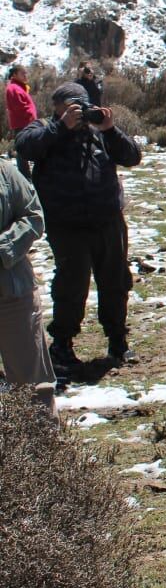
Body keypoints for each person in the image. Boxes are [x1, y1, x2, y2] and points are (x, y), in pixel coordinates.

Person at [16, 82, 141, 371]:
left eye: (82, 106)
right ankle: (62, 346)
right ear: (58, 108)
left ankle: (118, 342)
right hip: (67, 225)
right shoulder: (45, 129)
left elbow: (132, 156)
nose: (78, 113)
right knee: (71, 285)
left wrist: (110, 129)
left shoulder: (99, 133)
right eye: (71, 106)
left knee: (115, 281)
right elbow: (24, 146)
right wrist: (60, 127)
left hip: (108, 222)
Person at [0, 158, 57, 412]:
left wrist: (4, 247)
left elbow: (33, 216)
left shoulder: (5, 173)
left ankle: (43, 450)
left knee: (32, 386)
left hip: (12, 292)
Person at [5, 65, 37, 179]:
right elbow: (18, 107)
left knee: (26, 149)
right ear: (14, 75)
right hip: (22, 124)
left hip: (27, 123)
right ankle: (25, 177)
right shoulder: (13, 88)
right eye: (22, 73)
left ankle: (28, 176)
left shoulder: (19, 87)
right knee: (23, 151)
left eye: (26, 73)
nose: (25, 75)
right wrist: (30, 116)